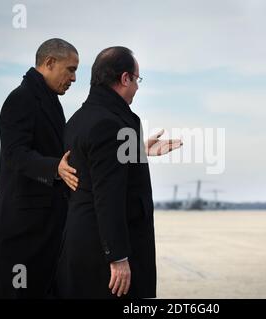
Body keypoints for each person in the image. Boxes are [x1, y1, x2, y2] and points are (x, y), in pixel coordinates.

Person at [0, 38, 80, 299]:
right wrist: (55, 167)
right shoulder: (21, 99)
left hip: (45, 226)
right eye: (71, 69)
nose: (74, 78)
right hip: (24, 229)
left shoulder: (49, 100)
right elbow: (15, 155)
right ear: (49, 63)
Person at [52, 46, 182, 299]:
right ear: (125, 79)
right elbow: (107, 196)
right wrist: (118, 257)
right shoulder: (110, 124)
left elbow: (94, 172)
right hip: (103, 256)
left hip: (81, 244)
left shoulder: (79, 119)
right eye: (137, 80)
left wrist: (137, 152)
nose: (137, 87)